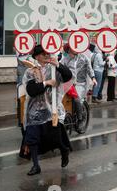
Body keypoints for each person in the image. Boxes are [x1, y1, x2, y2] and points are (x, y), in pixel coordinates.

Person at [21, 45, 72, 176]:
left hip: (52, 110)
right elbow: (31, 90)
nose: (47, 56)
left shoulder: (54, 69)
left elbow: (68, 76)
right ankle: (36, 165)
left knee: (56, 137)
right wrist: (47, 83)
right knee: (32, 138)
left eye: (48, 54)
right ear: (37, 57)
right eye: (44, 54)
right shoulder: (31, 72)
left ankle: (64, 150)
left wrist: (58, 64)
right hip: (34, 112)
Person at [61, 44, 97, 120]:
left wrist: (93, 78)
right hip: (68, 83)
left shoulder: (84, 58)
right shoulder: (64, 59)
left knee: (77, 100)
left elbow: (89, 69)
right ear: (69, 49)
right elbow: (59, 68)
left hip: (80, 83)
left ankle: (80, 117)